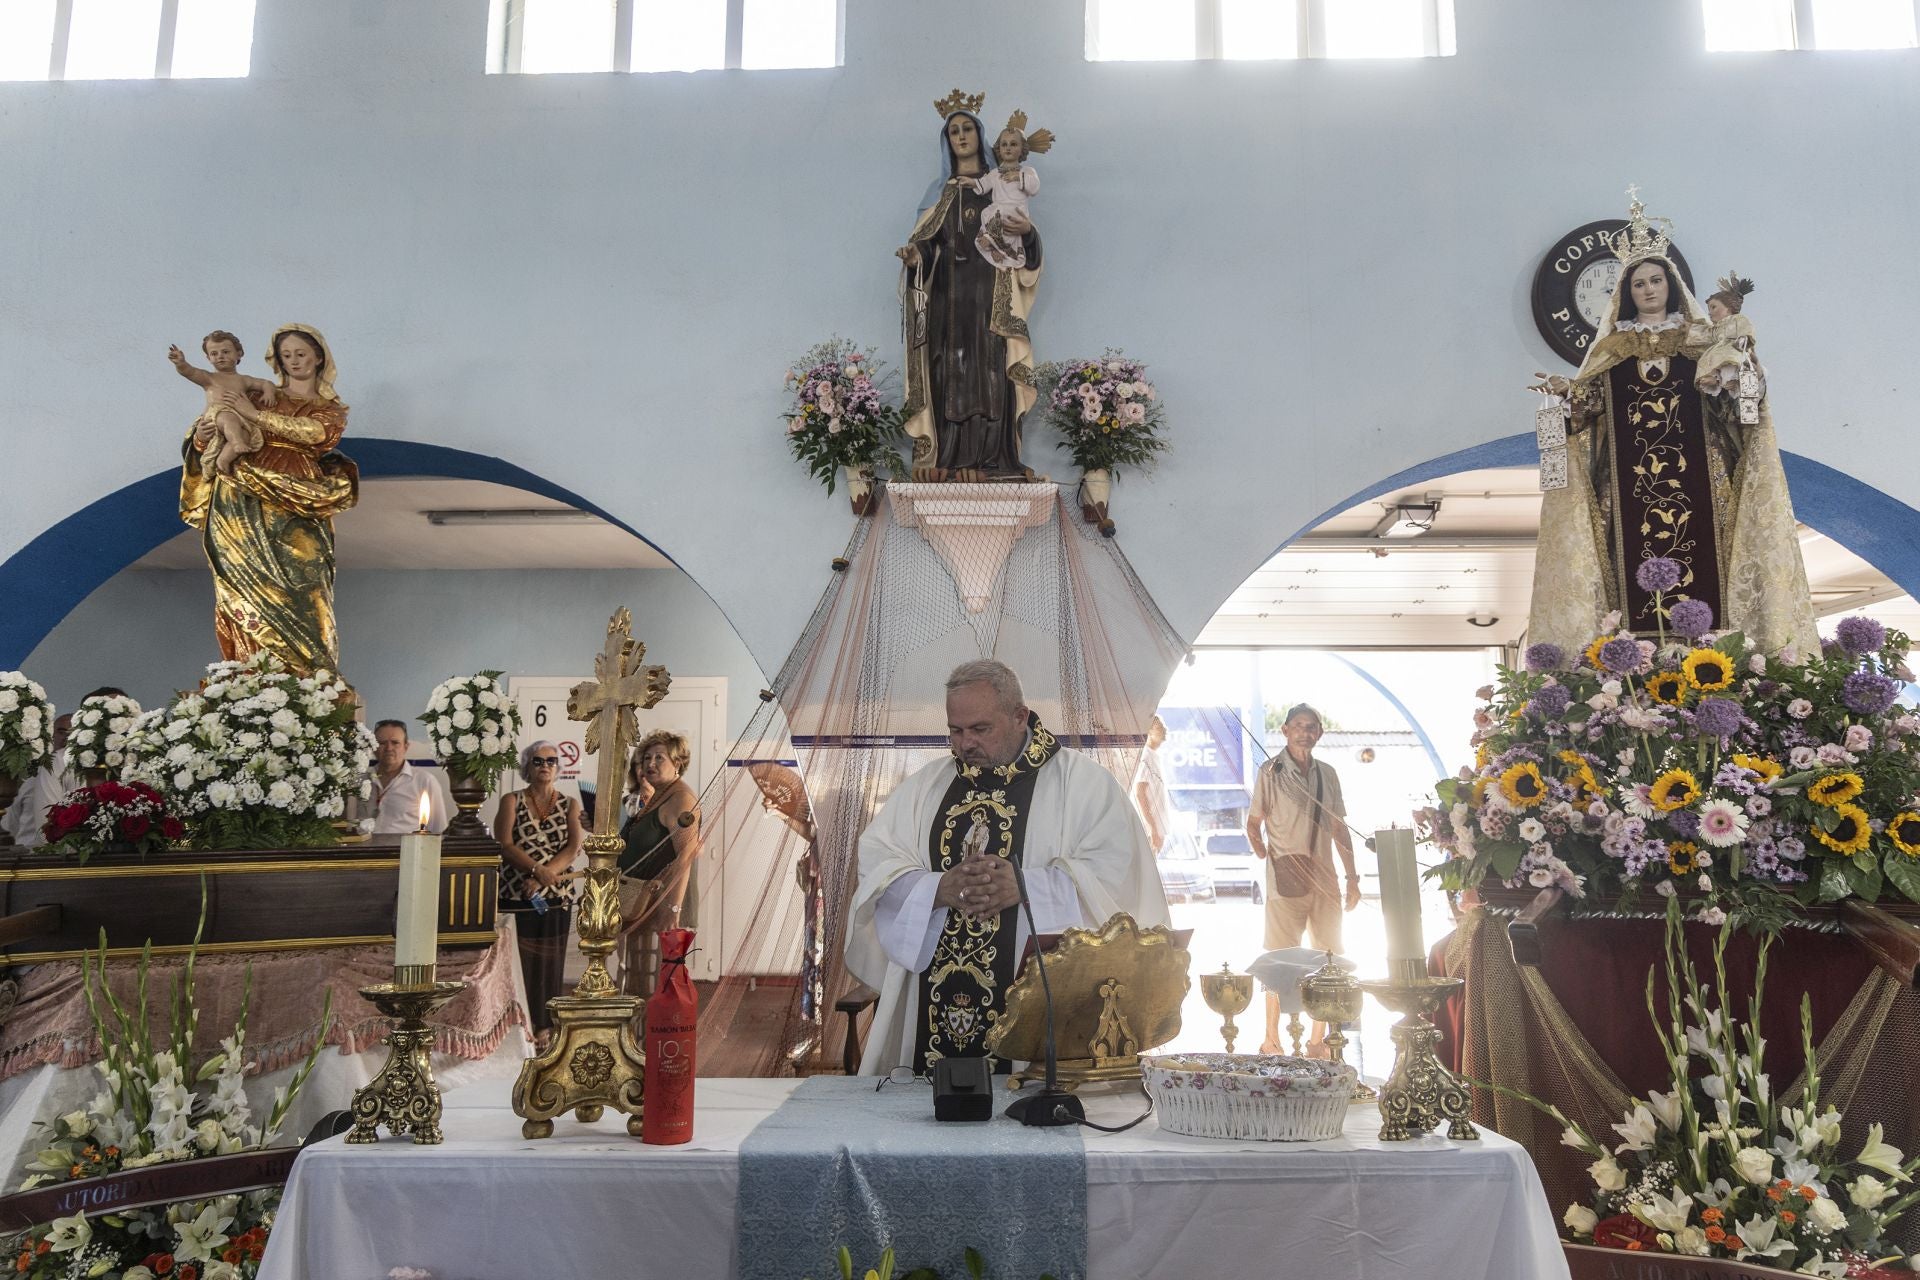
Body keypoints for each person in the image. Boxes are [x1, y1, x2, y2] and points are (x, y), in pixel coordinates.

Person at [846, 659, 1169, 1076]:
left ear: (1020, 716)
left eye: (980, 729)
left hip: (1036, 997)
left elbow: (1116, 875)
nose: (965, 744)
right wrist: (935, 888)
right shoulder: (926, 787)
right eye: (955, 731)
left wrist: (1027, 886)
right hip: (934, 1003)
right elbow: (877, 860)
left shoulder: (1084, 784)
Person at [1528, 192, 1817, 658]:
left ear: (1671, 284)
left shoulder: (1702, 343)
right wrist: (1566, 394)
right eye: (1638, 283)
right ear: (1624, 292)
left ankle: (1721, 649)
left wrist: (1740, 375)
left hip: (1703, 479)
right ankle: (1631, 657)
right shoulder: (1612, 351)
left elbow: (1738, 404)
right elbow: (1588, 410)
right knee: (1623, 558)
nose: (1647, 289)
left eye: (1655, 279)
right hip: (1627, 490)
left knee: (1712, 556)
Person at [178, 323, 359, 677]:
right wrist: (202, 436)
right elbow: (215, 425)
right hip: (241, 490)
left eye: (301, 354)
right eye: (285, 355)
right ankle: (249, 673)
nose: (293, 361)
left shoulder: (329, 408)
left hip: (299, 489)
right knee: (242, 575)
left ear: (319, 357)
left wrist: (255, 416)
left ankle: (312, 677)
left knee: (307, 578)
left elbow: (315, 433)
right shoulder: (259, 394)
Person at [897, 98, 1045, 480]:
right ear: (947, 140)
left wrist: (1028, 234)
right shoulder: (938, 193)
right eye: (953, 131)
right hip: (947, 299)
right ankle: (947, 458)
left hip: (991, 293)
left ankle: (995, 460)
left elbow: (1023, 242)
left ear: (980, 136)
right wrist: (916, 258)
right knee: (948, 371)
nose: (961, 136)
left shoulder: (999, 185)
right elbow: (927, 244)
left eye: (967, 129)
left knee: (991, 370)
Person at [1246, 704, 1360, 1056]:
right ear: (1284, 730)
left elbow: (1339, 828)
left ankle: (1318, 1042)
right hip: (1286, 877)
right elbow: (1253, 822)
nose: (1305, 732)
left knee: (1328, 960)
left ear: (1319, 733)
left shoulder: (1328, 773)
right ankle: (1271, 1039)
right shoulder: (1271, 770)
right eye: (1298, 726)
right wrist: (1263, 850)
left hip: (1325, 878)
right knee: (1279, 959)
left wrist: (1353, 877)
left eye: (1311, 727)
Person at [494, 740, 584, 1048]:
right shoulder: (511, 800)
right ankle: (515, 1026)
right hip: (514, 894)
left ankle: (545, 1027)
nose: (545, 765)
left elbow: (573, 848)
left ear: (559, 767)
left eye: (551, 760)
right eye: (538, 761)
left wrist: (545, 878)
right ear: (527, 767)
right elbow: (504, 844)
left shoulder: (570, 803)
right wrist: (535, 871)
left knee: (550, 963)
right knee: (516, 962)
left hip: (555, 895)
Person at [614, 730, 702, 995]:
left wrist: (672, 909)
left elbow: (685, 856)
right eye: (646, 757)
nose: (650, 763)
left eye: (659, 757)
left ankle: (649, 1036)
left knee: (654, 986)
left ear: (678, 762)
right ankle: (635, 1034)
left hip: (662, 906)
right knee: (636, 977)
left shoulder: (681, 798)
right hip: (640, 902)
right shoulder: (660, 795)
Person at [167, 331, 278, 476]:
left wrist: (269, 392)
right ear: (208, 358)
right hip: (217, 415)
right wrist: (181, 363)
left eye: (225, 352)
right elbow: (190, 372)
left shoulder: (243, 380)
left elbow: (266, 383)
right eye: (214, 353)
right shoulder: (209, 378)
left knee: (245, 434)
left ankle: (223, 460)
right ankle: (237, 443)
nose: (220, 356)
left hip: (240, 417)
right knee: (230, 421)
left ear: (239, 354)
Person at [967, 122, 1044, 271]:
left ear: (1022, 149)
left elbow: (1035, 187)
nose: (1008, 148)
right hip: (999, 210)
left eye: (1014, 144)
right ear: (999, 149)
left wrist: (1019, 176)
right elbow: (983, 184)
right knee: (986, 214)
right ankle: (996, 248)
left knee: (1002, 217)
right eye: (1004, 144)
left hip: (1016, 211)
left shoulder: (1027, 171)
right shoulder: (995, 173)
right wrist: (970, 182)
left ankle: (993, 242)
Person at [367, 719, 449, 835]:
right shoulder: (362, 780)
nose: (389, 748)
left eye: (395, 743)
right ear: (373, 748)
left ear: (406, 746)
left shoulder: (424, 781)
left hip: (405, 851)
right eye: (382, 743)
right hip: (364, 850)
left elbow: (438, 829)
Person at [1131, 715, 1173, 855]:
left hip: (1155, 830)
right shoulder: (1145, 757)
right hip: (1148, 832)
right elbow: (1140, 793)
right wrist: (1153, 828)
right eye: (1159, 730)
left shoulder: (1153, 756)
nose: (1163, 733)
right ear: (1150, 732)